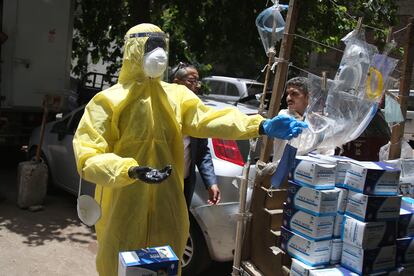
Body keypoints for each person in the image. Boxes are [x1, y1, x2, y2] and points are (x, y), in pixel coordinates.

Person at [72, 23, 307, 276]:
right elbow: (87, 157)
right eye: (151, 46)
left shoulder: (176, 97)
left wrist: (260, 125)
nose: (159, 53)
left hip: (167, 207)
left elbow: (209, 119)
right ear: (134, 51)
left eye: (162, 46)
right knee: (118, 267)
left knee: (164, 266)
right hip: (122, 208)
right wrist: (129, 170)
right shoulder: (108, 101)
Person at [170, 63, 220, 207]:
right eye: (192, 81)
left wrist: (211, 183)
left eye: (198, 81)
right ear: (176, 83)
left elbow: (202, 151)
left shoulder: (197, 112)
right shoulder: (163, 109)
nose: (197, 86)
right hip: (160, 184)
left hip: (185, 184)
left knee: (178, 228)